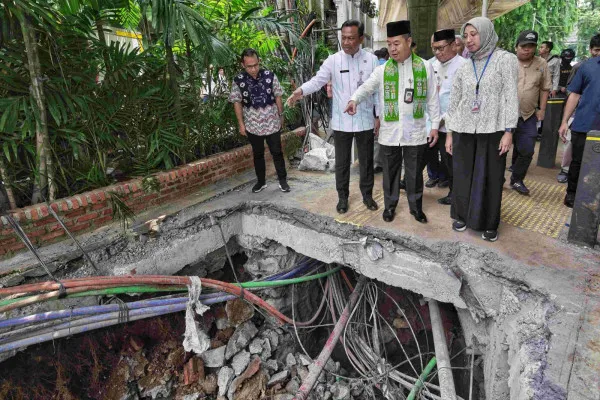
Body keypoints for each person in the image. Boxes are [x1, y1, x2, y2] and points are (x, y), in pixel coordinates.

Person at [346, 20, 440, 224]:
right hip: (390, 133)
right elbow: (367, 87)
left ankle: (416, 208)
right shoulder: (382, 70)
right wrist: (354, 99)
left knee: (415, 174)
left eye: (396, 43)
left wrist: (434, 126)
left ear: (409, 41)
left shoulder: (425, 67)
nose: (392, 48)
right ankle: (390, 206)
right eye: (389, 44)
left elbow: (433, 99)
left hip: (415, 132)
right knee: (390, 173)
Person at [286, 20, 380, 214]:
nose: (346, 42)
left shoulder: (371, 60)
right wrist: (299, 91)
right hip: (341, 122)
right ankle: (343, 197)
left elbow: (376, 90)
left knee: (366, 161)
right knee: (343, 162)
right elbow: (317, 80)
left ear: (361, 39)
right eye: (343, 38)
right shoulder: (333, 60)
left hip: (364, 121)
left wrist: (378, 116)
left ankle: (367, 195)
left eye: (351, 38)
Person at [445, 17, 518, 242]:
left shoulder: (505, 60)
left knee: (490, 177)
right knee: (463, 175)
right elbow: (454, 100)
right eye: (466, 36)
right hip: (464, 130)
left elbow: (510, 96)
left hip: (493, 129)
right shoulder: (464, 66)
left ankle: (488, 222)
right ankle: (463, 216)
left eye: (474, 34)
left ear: (486, 33)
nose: (469, 40)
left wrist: (509, 131)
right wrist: (449, 132)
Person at [229, 48, 290, 193]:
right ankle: (261, 182)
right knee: (258, 154)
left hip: (272, 123)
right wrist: (241, 124)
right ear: (243, 65)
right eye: (250, 66)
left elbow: (278, 96)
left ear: (259, 62)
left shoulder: (269, 76)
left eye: (256, 65)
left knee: (277, 152)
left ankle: (283, 181)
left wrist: (281, 116)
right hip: (252, 125)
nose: (254, 69)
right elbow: (236, 102)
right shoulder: (238, 81)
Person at [558, 34, 600, 208]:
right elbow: (574, 95)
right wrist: (564, 121)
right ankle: (572, 194)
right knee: (578, 161)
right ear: (591, 51)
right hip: (584, 124)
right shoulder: (586, 67)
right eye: (597, 50)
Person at [508, 30, 551, 195]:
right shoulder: (508, 62)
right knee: (498, 149)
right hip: (506, 114)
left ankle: (517, 179)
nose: (527, 50)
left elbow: (545, 88)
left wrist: (542, 109)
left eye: (531, 46)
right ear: (516, 47)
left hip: (528, 115)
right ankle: (496, 179)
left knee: (527, 150)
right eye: (523, 46)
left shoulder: (541, 64)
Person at [428, 28, 467, 205]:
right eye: (434, 48)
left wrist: (443, 118)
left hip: (452, 125)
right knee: (427, 155)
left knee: (451, 161)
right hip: (433, 123)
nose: (437, 52)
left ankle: (455, 193)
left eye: (441, 48)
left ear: (453, 45)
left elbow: (461, 100)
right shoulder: (431, 65)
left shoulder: (464, 66)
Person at [556, 48, 576, 183]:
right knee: (569, 141)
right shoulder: (581, 68)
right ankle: (565, 169)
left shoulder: (571, 67)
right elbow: (574, 93)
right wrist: (565, 121)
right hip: (575, 110)